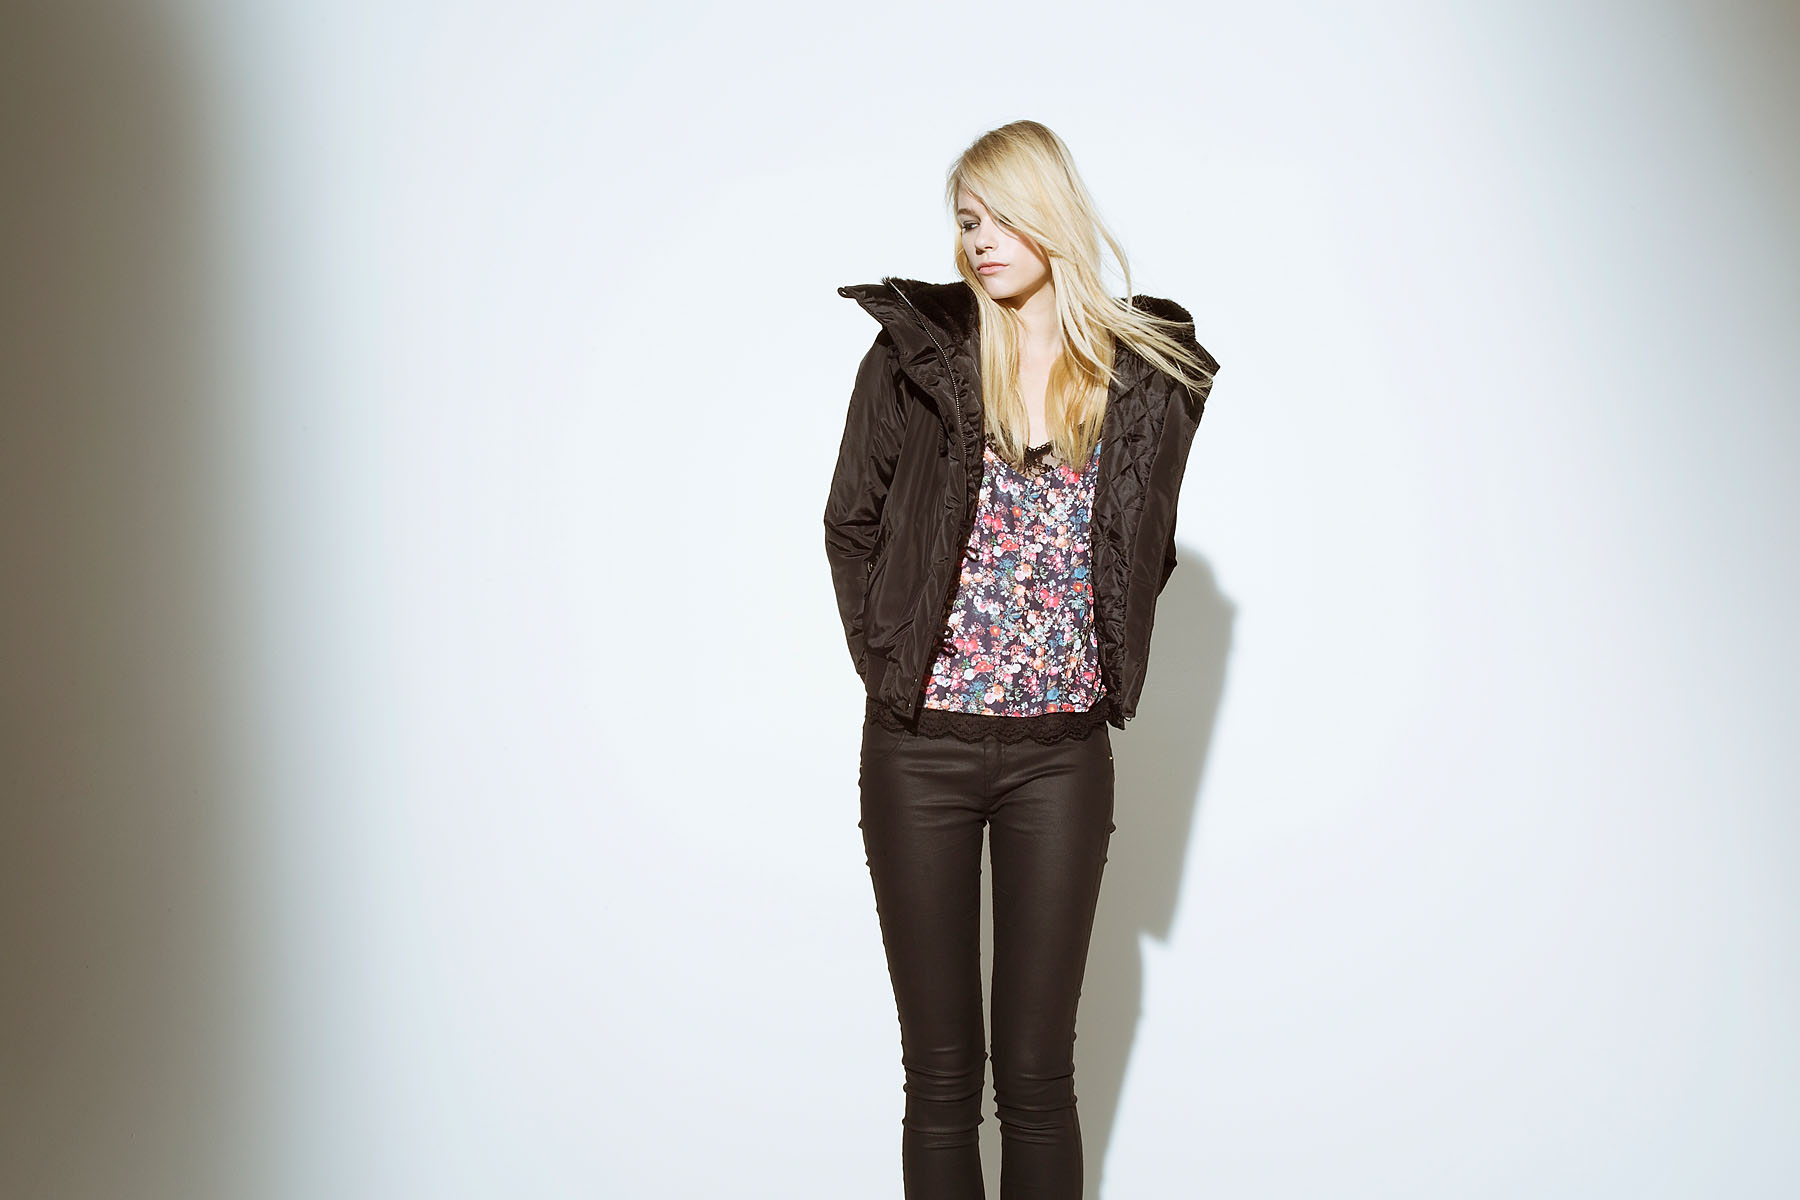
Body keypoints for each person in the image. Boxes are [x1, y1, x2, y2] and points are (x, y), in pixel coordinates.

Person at [824, 120, 1220, 1200]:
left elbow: (1145, 546)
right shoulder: (915, 359)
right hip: (920, 755)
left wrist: (1092, 646)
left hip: (1060, 758)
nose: (981, 241)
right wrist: (894, 664)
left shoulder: (1135, 378)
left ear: (1054, 217)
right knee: (941, 1077)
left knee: (1040, 1079)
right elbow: (851, 521)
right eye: (968, 221)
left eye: (1002, 217)